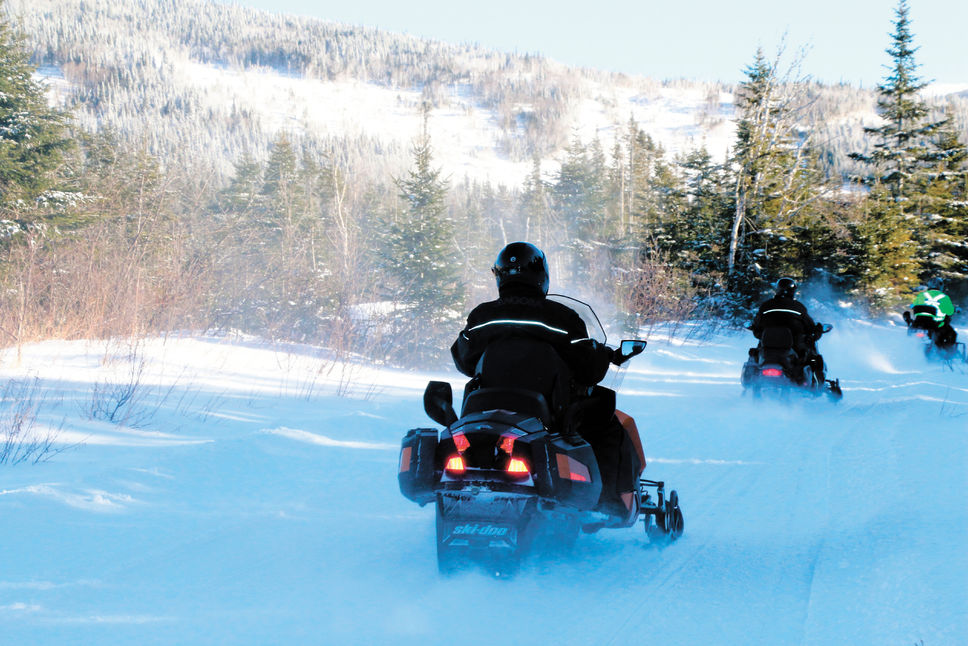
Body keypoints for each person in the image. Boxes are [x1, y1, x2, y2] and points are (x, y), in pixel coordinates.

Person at [451, 242, 644, 523]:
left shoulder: (481, 316)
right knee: (605, 421)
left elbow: (463, 360)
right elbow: (589, 369)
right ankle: (608, 504)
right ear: (540, 274)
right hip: (547, 414)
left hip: (487, 410)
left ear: (501, 276)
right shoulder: (562, 317)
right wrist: (603, 354)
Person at [751, 277, 825, 382]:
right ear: (793, 291)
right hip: (794, 346)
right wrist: (816, 330)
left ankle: (752, 382)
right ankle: (814, 387)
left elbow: (757, 325)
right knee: (813, 359)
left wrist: (757, 331)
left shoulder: (766, 306)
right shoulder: (798, 307)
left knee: (754, 355)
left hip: (768, 346)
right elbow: (810, 326)